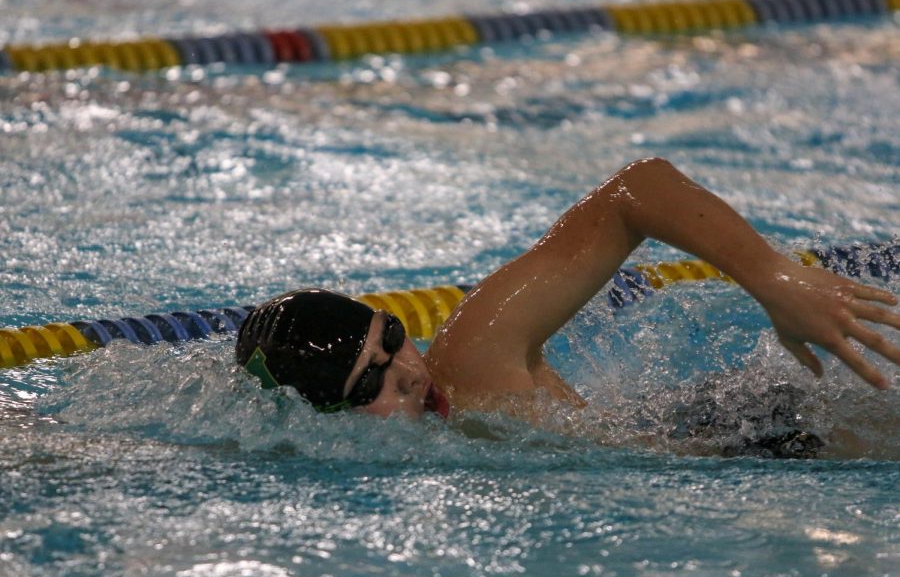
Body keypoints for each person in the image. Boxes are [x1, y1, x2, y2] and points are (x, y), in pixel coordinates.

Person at [236, 158, 900, 427]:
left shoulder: (471, 360)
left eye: (390, 339)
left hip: (755, 429)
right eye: (366, 388)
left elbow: (637, 191)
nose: (407, 377)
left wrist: (774, 279)